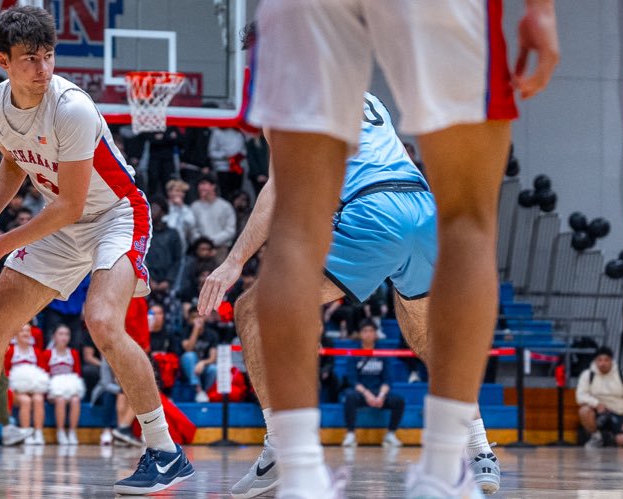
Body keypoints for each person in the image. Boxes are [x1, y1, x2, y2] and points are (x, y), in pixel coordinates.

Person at [246, 2, 559, 495]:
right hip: (415, 202)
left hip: (369, 205)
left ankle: (299, 468)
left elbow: (279, 189)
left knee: (293, 237)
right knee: (469, 227)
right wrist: (539, 10)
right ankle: (454, 463)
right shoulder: (375, 105)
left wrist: (230, 262)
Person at [0, 7, 191, 494]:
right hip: (61, 219)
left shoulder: (71, 106)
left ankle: (165, 451)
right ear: (4, 61)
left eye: (49, 57)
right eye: (30, 59)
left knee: (101, 320)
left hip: (115, 215)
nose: (43, 69)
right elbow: (14, 161)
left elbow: (74, 205)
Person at [199, 92, 503, 496]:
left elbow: (278, 189)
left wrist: (234, 261)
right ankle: (479, 449)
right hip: (422, 207)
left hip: (372, 213)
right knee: (427, 338)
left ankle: (282, 448)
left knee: (252, 310)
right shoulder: (361, 89)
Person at [340, 324, 406, 448]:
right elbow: (352, 379)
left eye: (371, 331)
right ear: (360, 334)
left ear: (375, 334)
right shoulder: (354, 352)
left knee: (399, 401)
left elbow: (388, 379)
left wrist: (381, 396)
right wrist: (367, 394)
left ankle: (390, 435)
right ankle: (350, 434)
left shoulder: (382, 353)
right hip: (360, 392)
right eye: (365, 331)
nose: (368, 334)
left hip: (378, 392)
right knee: (349, 396)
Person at [576, 347, 623, 449]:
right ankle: (596, 437)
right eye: (599, 360)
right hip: (598, 414)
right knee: (584, 411)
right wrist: (596, 404)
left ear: (611, 361)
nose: (603, 363)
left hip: (618, 414)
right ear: (595, 361)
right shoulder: (587, 375)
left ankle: (608, 439)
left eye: (606, 360)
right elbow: (580, 396)